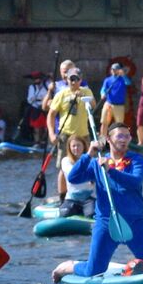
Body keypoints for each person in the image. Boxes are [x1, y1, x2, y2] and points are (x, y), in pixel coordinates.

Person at [52, 123, 143, 280]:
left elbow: (134, 181)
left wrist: (110, 170)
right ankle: (69, 266)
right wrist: (88, 155)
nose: (124, 140)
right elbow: (73, 178)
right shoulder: (97, 162)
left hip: (134, 223)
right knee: (94, 271)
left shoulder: (137, 160)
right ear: (109, 140)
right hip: (106, 222)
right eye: (119, 136)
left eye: (127, 136)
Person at [48, 67, 95, 198]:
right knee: (63, 168)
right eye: (71, 79)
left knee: (88, 164)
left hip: (83, 135)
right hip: (66, 136)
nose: (74, 82)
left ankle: (90, 193)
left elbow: (93, 105)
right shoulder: (61, 94)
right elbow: (51, 115)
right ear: (67, 79)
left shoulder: (86, 91)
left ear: (81, 80)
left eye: (77, 79)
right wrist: (52, 133)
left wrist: (85, 97)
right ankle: (62, 196)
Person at [57, 135, 95, 218]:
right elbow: (73, 175)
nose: (76, 148)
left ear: (84, 146)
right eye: (73, 146)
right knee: (64, 214)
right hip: (72, 198)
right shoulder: (65, 161)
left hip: (89, 198)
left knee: (91, 214)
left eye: (78, 145)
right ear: (69, 148)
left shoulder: (91, 161)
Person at [99, 62, 131, 133]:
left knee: (119, 125)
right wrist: (102, 94)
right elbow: (103, 89)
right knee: (104, 123)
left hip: (119, 105)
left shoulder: (123, 79)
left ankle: (118, 140)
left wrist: (123, 75)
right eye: (112, 69)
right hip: (109, 104)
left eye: (115, 69)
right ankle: (102, 140)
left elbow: (128, 83)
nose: (113, 71)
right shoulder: (107, 80)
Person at [24, 71, 49, 145]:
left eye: (38, 78)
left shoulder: (46, 86)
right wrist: (37, 98)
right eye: (35, 79)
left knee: (46, 127)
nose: (36, 80)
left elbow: (48, 95)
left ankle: (44, 141)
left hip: (44, 108)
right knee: (36, 128)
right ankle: (37, 142)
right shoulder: (32, 87)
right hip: (35, 108)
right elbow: (30, 99)